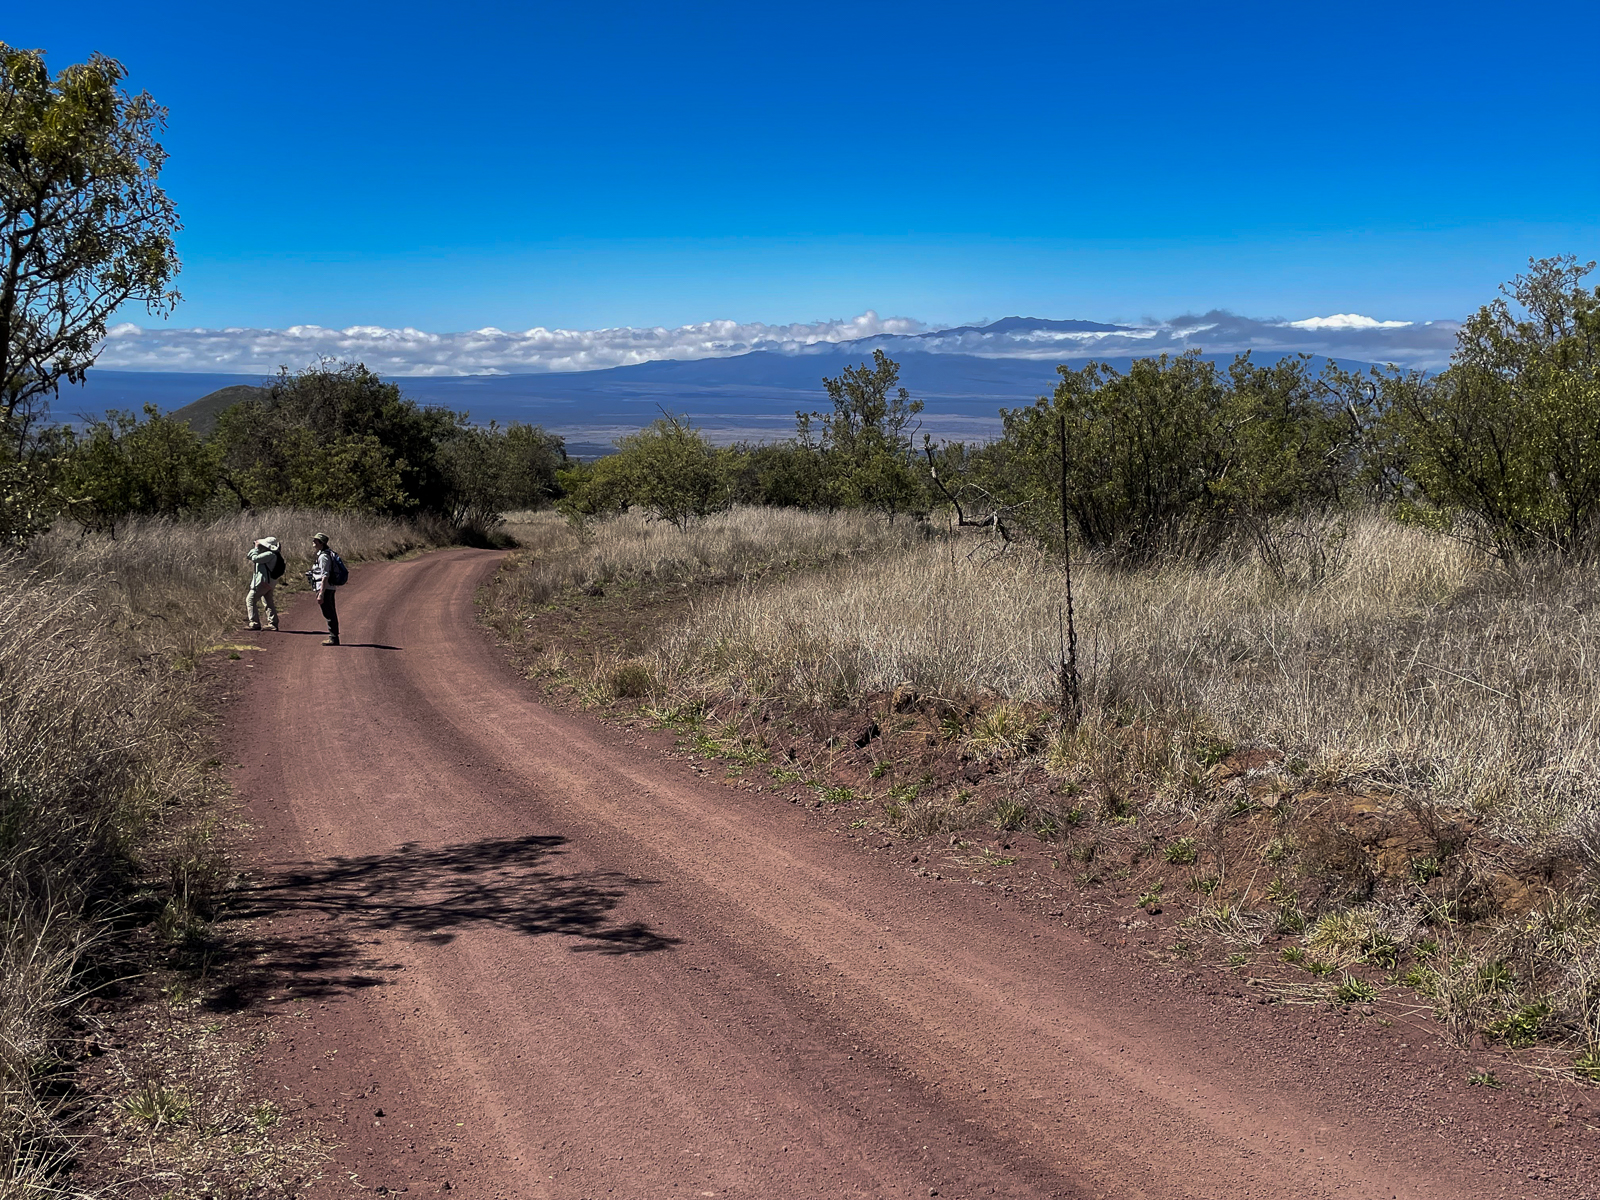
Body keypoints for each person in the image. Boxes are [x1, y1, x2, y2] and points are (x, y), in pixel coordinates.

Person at [308, 532, 341, 646]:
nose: (313, 542)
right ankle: (334, 636)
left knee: (328, 613)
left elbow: (325, 575)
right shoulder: (324, 554)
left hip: (325, 588)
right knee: (330, 612)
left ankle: (333, 638)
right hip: (328, 588)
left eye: (315, 540)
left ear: (321, 543)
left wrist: (321, 593)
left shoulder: (324, 557)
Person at [245, 536, 282, 631]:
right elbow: (250, 556)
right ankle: (273, 623)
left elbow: (254, 558)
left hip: (263, 582)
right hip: (269, 582)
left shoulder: (269, 554)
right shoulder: (274, 554)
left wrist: (256, 548)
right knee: (268, 602)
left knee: (250, 600)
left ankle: (254, 623)